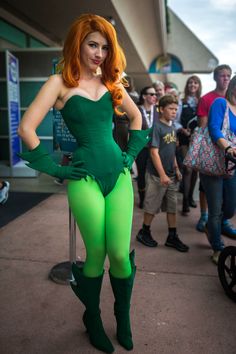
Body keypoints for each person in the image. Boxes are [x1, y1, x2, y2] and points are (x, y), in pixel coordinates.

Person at [18, 14, 151, 353]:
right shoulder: (58, 83)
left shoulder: (111, 82)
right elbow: (26, 129)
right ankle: (92, 317)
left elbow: (136, 118)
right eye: (93, 44)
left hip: (118, 175)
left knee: (120, 254)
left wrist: (130, 153)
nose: (100, 53)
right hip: (83, 178)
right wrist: (55, 170)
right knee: (97, 252)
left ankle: (123, 316)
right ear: (78, 43)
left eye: (105, 47)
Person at [136, 95, 189, 252]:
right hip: (156, 176)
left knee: (172, 207)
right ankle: (144, 232)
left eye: (175, 109)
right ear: (161, 109)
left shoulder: (172, 128)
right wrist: (162, 175)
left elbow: (171, 151)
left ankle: (172, 236)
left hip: (171, 175)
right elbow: (154, 153)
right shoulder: (156, 127)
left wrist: (177, 169)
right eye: (171, 109)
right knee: (152, 206)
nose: (174, 112)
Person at [200, 75, 236, 264]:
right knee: (215, 210)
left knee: (229, 208)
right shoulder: (220, 103)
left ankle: (213, 226)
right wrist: (228, 147)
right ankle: (217, 248)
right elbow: (214, 129)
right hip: (214, 162)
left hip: (232, 165)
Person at [178, 75, 202, 215]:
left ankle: (191, 196)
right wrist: (182, 129)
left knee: (195, 170)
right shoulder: (181, 102)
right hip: (184, 139)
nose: (192, 85)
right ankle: (185, 201)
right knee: (187, 169)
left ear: (199, 86)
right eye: (190, 83)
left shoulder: (202, 101)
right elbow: (175, 119)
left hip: (198, 140)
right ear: (187, 86)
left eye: (195, 83)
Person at [136, 86, 159, 208]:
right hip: (141, 148)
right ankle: (142, 199)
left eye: (155, 94)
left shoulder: (158, 110)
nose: (155, 96)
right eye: (152, 94)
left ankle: (153, 199)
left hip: (155, 147)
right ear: (144, 96)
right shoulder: (137, 110)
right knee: (141, 173)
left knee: (154, 174)